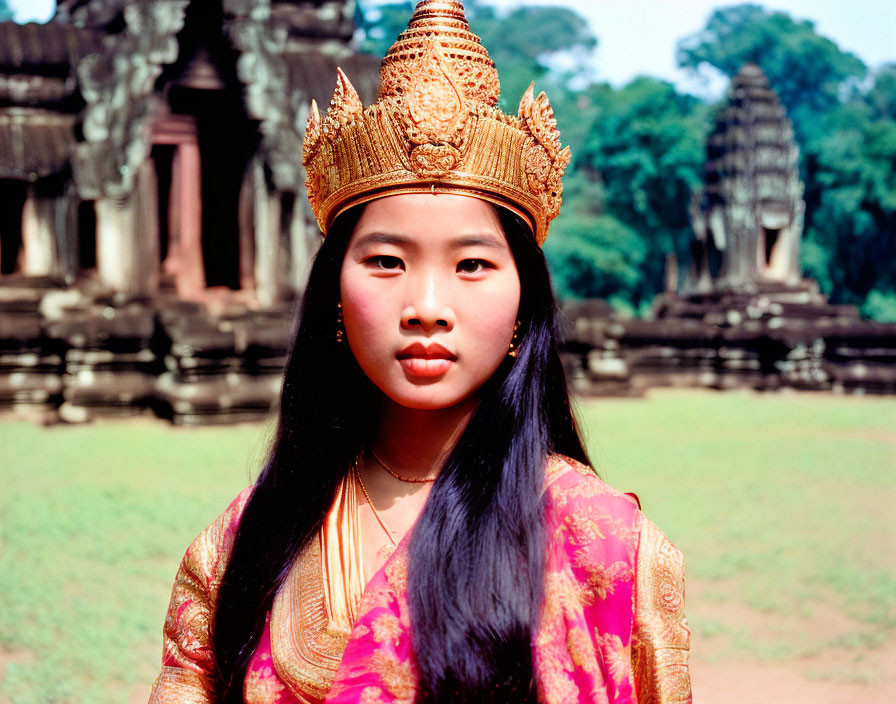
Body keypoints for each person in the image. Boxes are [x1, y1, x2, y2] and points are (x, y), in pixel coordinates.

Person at [148, 2, 691, 703]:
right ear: (333, 298)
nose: (427, 306)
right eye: (385, 261)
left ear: (525, 305)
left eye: (472, 265)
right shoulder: (240, 543)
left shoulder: (612, 549)